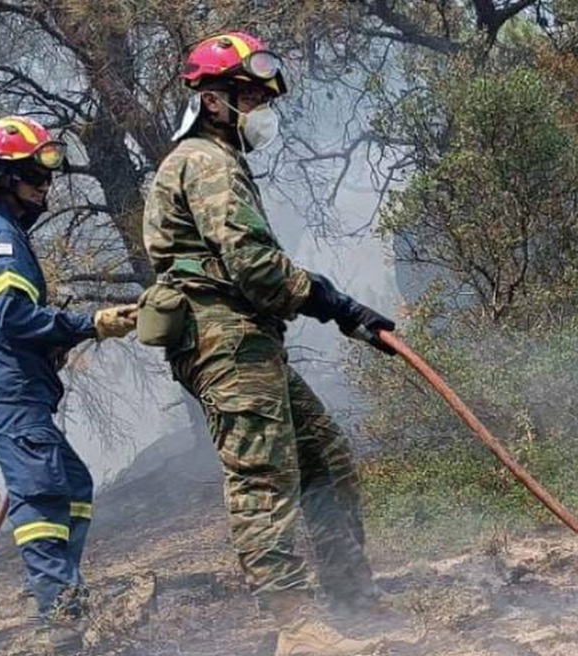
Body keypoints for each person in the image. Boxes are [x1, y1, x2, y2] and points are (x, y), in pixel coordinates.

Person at [139, 31, 396, 654]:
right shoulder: (204, 162)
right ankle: (298, 628)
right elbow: (252, 264)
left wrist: (333, 303)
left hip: (250, 338)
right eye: (253, 96)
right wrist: (330, 301)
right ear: (217, 101)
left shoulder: (219, 163)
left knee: (324, 460)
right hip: (223, 339)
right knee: (263, 476)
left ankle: (352, 602)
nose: (263, 110)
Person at [0, 116, 138, 653]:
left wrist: (63, 339)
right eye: (35, 177)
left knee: (72, 485)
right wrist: (89, 323)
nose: (46, 188)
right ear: (4, 179)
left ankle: (61, 592)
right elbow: (12, 316)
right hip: (5, 389)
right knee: (45, 492)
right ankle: (60, 616)